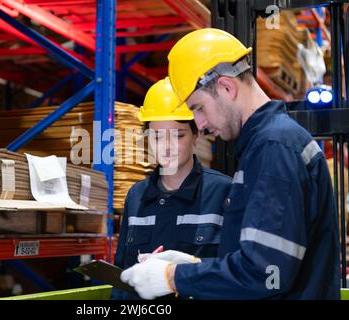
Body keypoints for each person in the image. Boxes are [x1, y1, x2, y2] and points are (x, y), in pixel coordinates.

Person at [120, 28, 340, 300]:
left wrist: (173, 277)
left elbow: (267, 273)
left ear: (226, 86)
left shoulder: (273, 148)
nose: (199, 124)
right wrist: (196, 267)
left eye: (198, 108)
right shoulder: (266, 146)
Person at [112, 77, 231, 299]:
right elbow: (123, 275)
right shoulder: (136, 196)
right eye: (157, 136)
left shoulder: (224, 192)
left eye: (177, 135)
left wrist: (188, 269)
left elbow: (235, 273)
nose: (166, 147)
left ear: (196, 135)